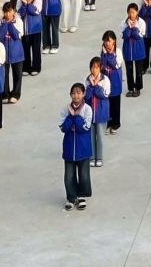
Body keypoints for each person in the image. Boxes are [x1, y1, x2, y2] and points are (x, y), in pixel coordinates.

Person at [60, 82, 93, 210]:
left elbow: (85, 128)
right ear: (70, 95)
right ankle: (71, 197)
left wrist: (76, 116)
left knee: (84, 175)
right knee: (69, 176)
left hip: (83, 149)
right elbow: (63, 127)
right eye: (73, 93)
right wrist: (71, 116)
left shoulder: (87, 109)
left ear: (83, 94)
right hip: (69, 149)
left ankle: (82, 196)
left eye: (79, 93)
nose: (76, 95)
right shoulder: (66, 110)